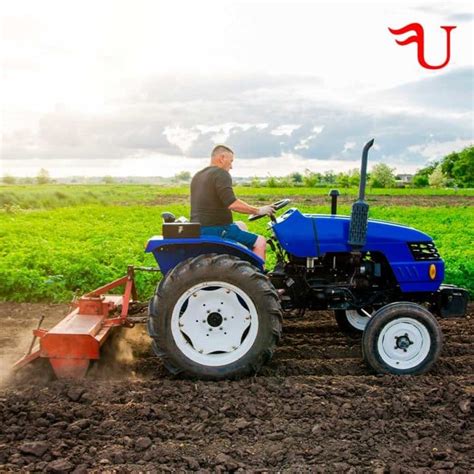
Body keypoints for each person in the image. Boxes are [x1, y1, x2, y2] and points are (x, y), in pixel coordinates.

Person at [190, 145, 275, 260]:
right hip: (216, 228)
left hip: (201, 227)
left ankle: (245, 262)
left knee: (242, 225)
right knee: (260, 242)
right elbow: (232, 204)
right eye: (231, 161)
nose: (231, 166)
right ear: (222, 158)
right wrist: (258, 210)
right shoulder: (221, 173)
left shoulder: (198, 175)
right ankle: (259, 276)